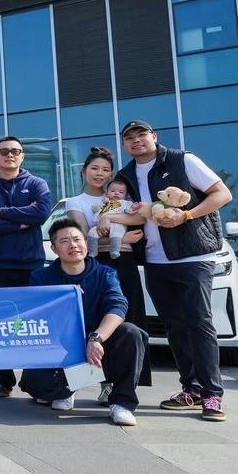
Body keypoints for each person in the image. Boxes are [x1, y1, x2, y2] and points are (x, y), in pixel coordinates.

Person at [117, 121, 232, 422]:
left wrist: (187, 214)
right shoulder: (125, 175)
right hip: (155, 261)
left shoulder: (182, 160)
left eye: (142, 135)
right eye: (129, 138)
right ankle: (191, 389)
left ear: (154, 137)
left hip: (193, 256)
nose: (136, 141)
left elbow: (222, 194)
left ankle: (212, 394)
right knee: (175, 327)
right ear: (124, 145)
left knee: (199, 323)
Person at [21, 220, 147, 426]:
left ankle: (121, 403)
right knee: (37, 386)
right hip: (62, 347)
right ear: (54, 248)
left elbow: (117, 307)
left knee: (131, 333)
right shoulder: (41, 277)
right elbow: (36, 317)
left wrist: (96, 338)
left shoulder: (105, 273)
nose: (73, 245)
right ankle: (68, 388)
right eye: (64, 241)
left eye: (77, 239)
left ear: (86, 243)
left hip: (99, 347)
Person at [64, 148, 152, 404]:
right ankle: (76, 384)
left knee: (127, 321)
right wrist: (123, 239)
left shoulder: (121, 196)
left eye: (105, 170)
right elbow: (81, 238)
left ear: (111, 174)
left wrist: (110, 218)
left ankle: (118, 386)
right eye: (94, 168)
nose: (99, 174)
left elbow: (141, 218)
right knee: (90, 322)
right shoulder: (75, 202)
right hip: (93, 265)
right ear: (84, 171)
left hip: (124, 265)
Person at [0, 137, 53, 400]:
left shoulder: (36, 183)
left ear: (22, 156)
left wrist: (0, 213)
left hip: (31, 265)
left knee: (34, 325)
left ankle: (38, 383)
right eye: (4, 151)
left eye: (15, 151)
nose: (10, 155)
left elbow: (41, 213)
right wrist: (21, 222)